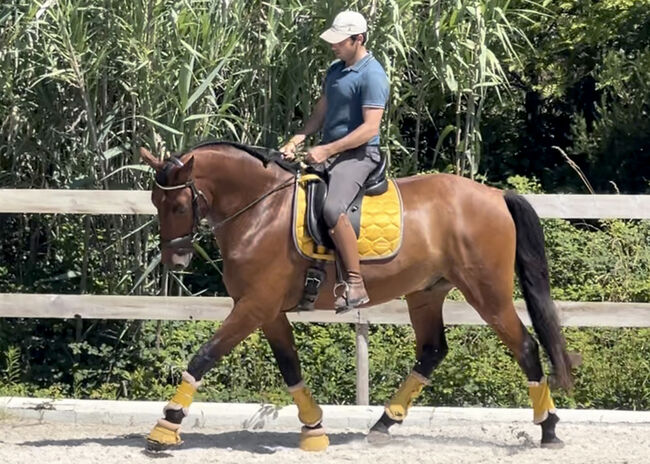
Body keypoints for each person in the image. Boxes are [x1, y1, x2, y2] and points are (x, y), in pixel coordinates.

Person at [280, 10, 390, 310]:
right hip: (331, 152)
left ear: (359, 39)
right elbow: (321, 112)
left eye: (340, 42)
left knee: (331, 207)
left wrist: (327, 150)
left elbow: (370, 128)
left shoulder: (373, 75)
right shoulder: (335, 70)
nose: (334, 46)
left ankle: (355, 283)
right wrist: (298, 139)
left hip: (359, 156)